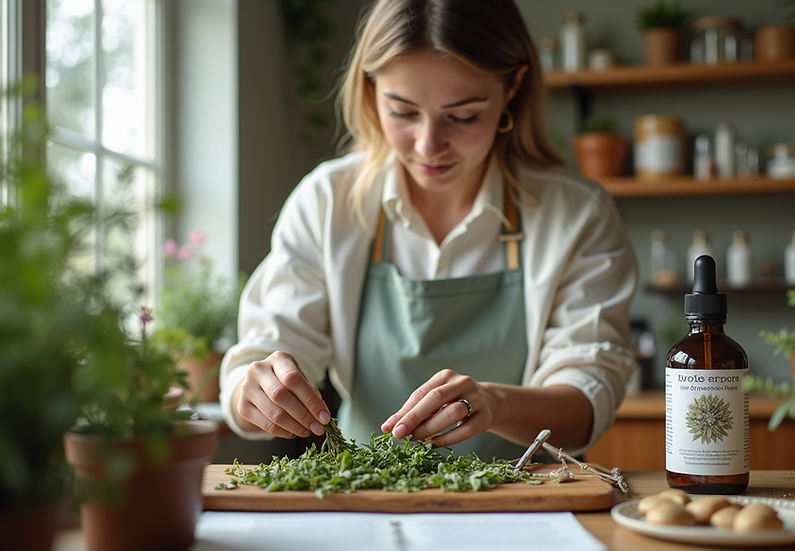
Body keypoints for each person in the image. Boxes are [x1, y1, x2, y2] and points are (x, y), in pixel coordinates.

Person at [220, 0, 638, 461]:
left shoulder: (576, 213)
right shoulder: (327, 201)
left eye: (462, 116)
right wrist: (255, 392)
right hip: (368, 496)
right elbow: (265, 353)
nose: (428, 145)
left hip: (522, 506)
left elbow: (586, 401)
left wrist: (495, 405)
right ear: (370, 89)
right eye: (402, 112)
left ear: (513, 88)